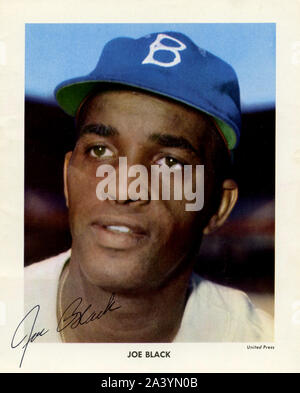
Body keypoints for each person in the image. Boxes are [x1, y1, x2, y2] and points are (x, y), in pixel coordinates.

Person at [25, 31, 273, 342]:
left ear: (218, 207)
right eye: (100, 151)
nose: (123, 189)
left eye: (170, 163)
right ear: (66, 176)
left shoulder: (263, 346)